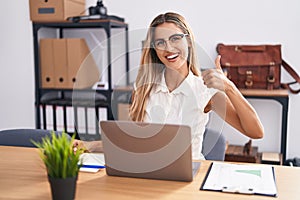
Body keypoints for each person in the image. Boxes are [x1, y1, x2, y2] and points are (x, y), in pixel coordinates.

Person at [74, 12, 264, 160]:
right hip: (149, 172)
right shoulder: (144, 89)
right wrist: (91, 146)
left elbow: (255, 132)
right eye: (160, 42)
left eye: (175, 38)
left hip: (190, 177)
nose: (169, 48)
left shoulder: (205, 90)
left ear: (188, 40)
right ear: (154, 49)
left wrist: (229, 87)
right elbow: (136, 142)